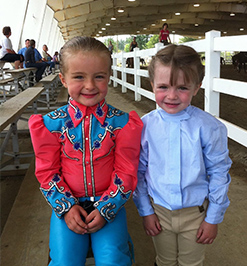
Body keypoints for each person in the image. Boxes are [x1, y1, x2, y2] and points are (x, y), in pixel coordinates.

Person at [29, 36, 142, 265]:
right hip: (67, 208)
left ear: (108, 78)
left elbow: (127, 171)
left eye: (98, 77)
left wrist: (107, 208)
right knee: (64, 261)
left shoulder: (122, 123)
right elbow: (47, 172)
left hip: (108, 204)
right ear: (63, 79)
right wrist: (67, 207)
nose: (90, 85)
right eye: (79, 77)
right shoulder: (51, 124)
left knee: (114, 260)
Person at [132, 44, 232, 266]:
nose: (172, 96)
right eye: (163, 87)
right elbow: (138, 171)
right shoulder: (144, 126)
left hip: (196, 214)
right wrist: (146, 211)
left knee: (192, 262)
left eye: (182, 88)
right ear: (152, 85)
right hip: (158, 212)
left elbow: (218, 172)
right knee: (164, 260)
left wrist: (213, 217)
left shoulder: (209, 127)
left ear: (197, 87)